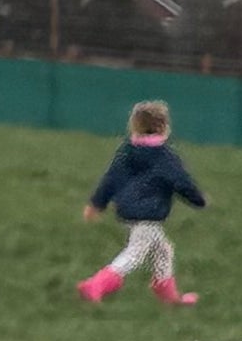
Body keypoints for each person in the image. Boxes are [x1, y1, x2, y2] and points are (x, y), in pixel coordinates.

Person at [81, 101, 205, 307]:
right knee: (135, 254)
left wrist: (96, 204)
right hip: (148, 213)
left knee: (164, 250)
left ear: (134, 125)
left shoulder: (127, 152)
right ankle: (96, 284)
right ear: (164, 127)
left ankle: (167, 293)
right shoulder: (165, 157)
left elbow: (110, 179)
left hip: (128, 210)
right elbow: (181, 182)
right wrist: (198, 201)